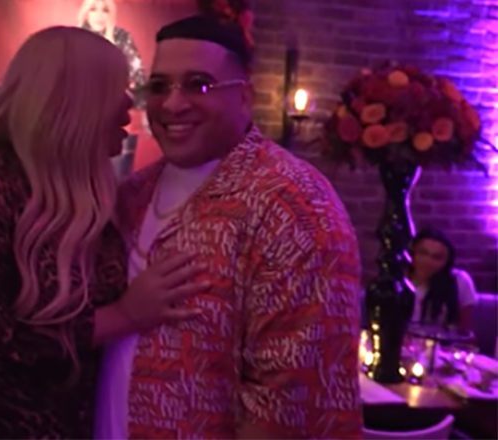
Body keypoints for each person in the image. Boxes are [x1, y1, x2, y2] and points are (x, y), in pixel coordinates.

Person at [0, 26, 207, 439]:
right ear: (76, 101)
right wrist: (124, 315)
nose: (129, 104)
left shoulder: (96, 193)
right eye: (117, 89)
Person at [98, 15, 364, 439]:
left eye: (199, 84)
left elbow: (291, 401)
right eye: (160, 86)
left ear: (244, 97)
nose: (173, 104)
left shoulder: (292, 204)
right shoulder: (132, 194)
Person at [408, 228, 477, 332]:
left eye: (436, 257)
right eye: (423, 253)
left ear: (446, 262)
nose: (428, 261)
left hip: (442, 341)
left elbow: (465, 330)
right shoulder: (396, 281)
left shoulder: (459, 281)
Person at [77, 0, 145, 105]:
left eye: (105, 10)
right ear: (85, 13)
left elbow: (137, 75)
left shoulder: (122, 36)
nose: (99, 15)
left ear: (111, 14)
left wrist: (110, 38)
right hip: (83, 97)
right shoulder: (76, 37)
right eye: (93, 9)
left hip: (116, 95)